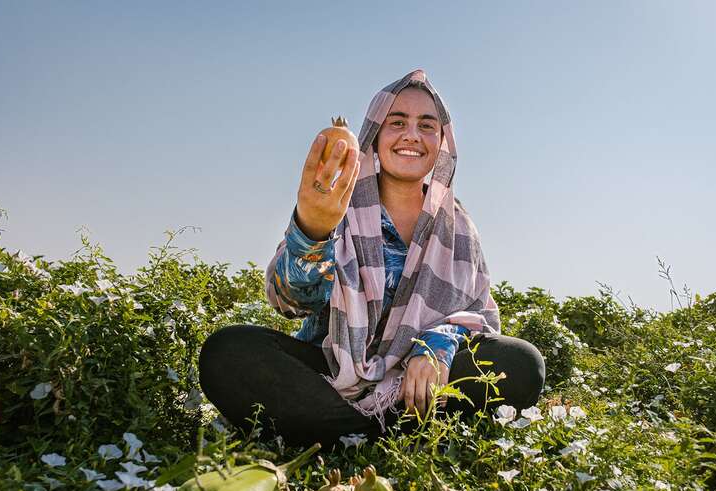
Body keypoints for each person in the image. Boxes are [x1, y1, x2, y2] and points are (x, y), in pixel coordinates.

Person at [198, 69, 546, 448]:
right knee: (228, 353)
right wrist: (312, 232)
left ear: (441, 141)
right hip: (331, 373)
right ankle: (381, 431)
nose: (412, 135)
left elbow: (477, 316)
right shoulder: (337, 203)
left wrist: (434, 346)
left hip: (418, 384)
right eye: (397, 122)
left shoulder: (457, 225)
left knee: (523, 363)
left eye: (426, 125)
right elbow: (289, 302)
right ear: (375, 134)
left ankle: (342, 433)